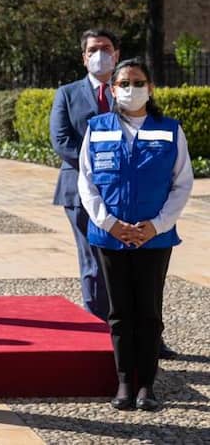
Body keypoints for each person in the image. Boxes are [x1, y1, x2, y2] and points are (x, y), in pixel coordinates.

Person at [77, 58, 193, 412]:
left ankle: (147, 386)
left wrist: (156, 225)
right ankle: (124, 381)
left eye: (138, 82)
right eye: (124, 83)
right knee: (120, 312)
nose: (131, 89)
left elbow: (182, 184)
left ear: (150, 88)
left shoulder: (169, 129)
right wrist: (109, 222)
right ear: (113, 90)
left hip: (154, 239)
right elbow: (87, 181)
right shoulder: (97, 128)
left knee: (149, 312)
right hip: (110, 236)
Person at [50, 28, 117, 325]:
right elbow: (61, 140)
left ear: (116, 54)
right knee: (92, 261)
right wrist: (100, 167)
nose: (99, 54)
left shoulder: (129, 89)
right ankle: (98, 327)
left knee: (133, 264)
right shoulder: (67, 94)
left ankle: (140, 333)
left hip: (125, 190)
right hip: (79, 190)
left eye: (105, 48)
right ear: (83, 57)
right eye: (93, 50)